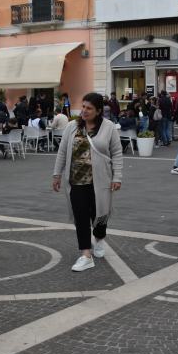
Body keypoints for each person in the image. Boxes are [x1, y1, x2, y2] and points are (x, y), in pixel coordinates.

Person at [52, 93, 123, 271]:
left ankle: (99, 238)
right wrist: (57, 174)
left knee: (100, 215)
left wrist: (117, 177)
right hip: (76, 181)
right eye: (83, 106)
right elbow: (62, 152)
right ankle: (85, 254)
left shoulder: (109, 128)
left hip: (101, 180)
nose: (84, 111)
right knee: (81, 217)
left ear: (99, 111)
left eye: (89, 108)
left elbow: (117, 153)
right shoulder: (71, 126)